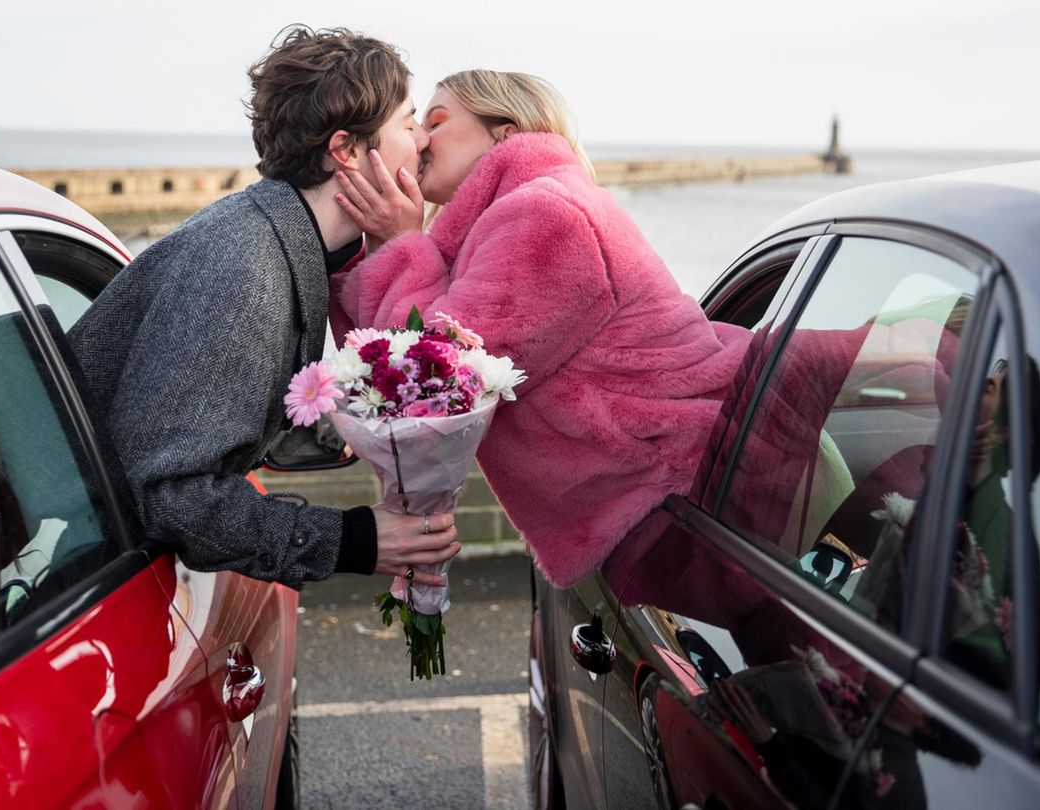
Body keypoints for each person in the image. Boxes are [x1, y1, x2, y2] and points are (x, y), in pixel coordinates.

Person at [67, 26, 460, 589]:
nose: (423, 140)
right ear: (346, 150)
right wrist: (353, 539)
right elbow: (172, 496)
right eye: (408, 121)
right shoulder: (246, 270)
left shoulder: (271, 242)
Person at [329, 69, 751, 588]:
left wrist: (397, 241)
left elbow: (438, 375)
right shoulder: (511, 216)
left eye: (435, 122)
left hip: (687, 497)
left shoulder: (546, 215)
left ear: (504, 133)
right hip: (678, 500)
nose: (418, 139)